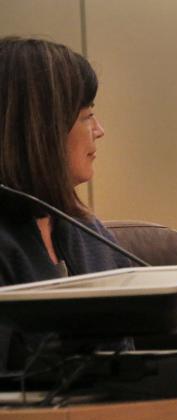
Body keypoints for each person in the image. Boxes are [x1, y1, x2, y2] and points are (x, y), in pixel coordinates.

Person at [0, 37, 131, 370]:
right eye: (87, 116)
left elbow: (128, 359)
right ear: (40, 131)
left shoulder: (88, 230)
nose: (99, 130)